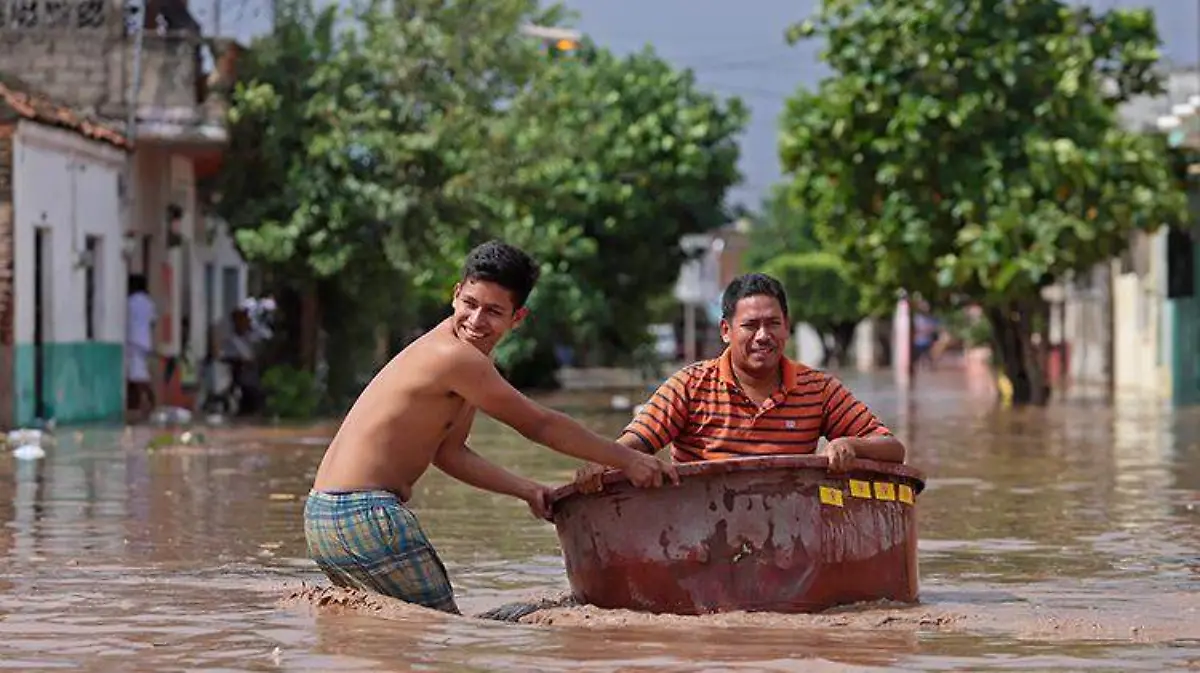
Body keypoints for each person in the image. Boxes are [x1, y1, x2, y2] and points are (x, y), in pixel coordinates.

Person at [306, 240, 678, 614]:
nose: (476, 320)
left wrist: (527, 490)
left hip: (325, 517)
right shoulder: (456, 358)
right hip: (362, 515)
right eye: (470, 304)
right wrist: (628, 460)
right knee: (443, 632)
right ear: (456, 295)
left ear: (517, 318)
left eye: (493, 311)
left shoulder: (461, 357)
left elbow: (449, 453)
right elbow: (539, 424)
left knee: (394, 641)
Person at [575, 273, 905, 491]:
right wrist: (599, 464)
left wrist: (850, 445)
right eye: (750, 326)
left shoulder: (818, 388)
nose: (763, 336)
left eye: (773, 324)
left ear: (786, 328)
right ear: (725, 331)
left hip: (788, 533)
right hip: (700, 534)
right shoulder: (689, 385)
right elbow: (631, 447)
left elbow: (892, 449)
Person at [125, 274, 157, 421]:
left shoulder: (129, 301)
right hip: (145, 342)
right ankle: (137, 405)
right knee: (138, 374)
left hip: (132, 341)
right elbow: (153, 322)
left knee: (137, 376)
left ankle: (148, 403)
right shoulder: (149, 303)